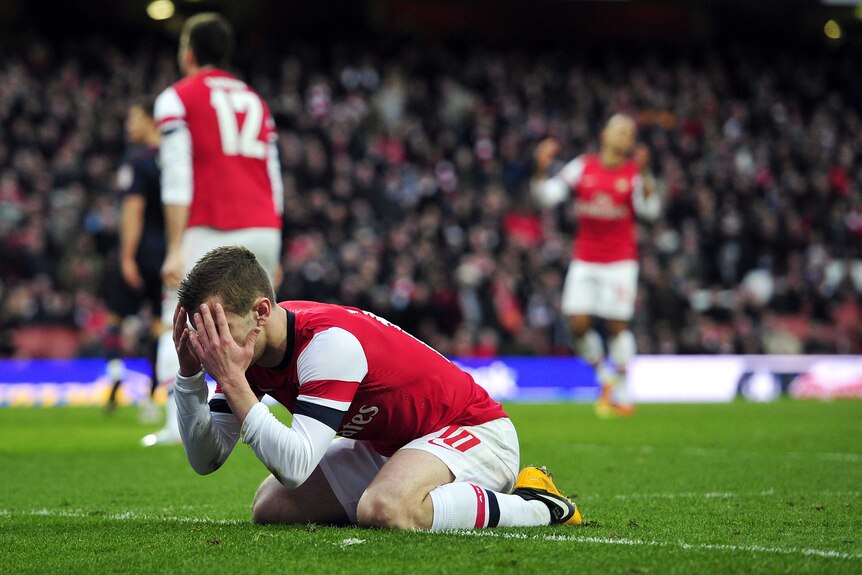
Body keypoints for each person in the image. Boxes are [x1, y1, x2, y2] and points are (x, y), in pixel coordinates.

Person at [170, 246, 581, 530]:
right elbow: (208, 459)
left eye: (219, 326)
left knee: (385, 509)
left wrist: (231, 381)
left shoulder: (327, 344)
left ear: (261, 311)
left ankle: (537, 507)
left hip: (473, 430)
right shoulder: (251, 347)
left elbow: (295, 467)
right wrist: (189, 379)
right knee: (270, 508)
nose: (212, 342)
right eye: (203, 329)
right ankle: (421, 493)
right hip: (395, 444)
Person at [144, 13, 284, 446]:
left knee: (182, 312)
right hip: (263, 224)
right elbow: (273, 175)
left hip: (210, 223)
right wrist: (275, 243)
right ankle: (273, 406)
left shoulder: (177, 97)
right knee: (263, 317)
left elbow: (177, 175)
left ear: (188, 53)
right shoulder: (255, 100)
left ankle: (176, 422)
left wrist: (172, 246)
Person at [531, 114, 660, 417]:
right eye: (621, 131)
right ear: (605, 134)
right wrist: (540, 168)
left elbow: (650, 210)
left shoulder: (633, 173)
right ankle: (605, 376)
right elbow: (545, 198)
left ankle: (624, 385)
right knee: (577, 325)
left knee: (616, 326)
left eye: (630, 133)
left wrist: (648, 176)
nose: (627, 137)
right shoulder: (582, 166)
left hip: (620, 261)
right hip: (586, 258)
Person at [104, 97, 165, 423]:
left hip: (140, 251)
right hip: (168, 253)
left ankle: (115, 376)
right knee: (161, 325)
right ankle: (154, 395)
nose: (129, 126)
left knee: (114, 319)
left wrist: (127, 256)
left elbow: (133, 209)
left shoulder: (137, 160)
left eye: (133, 119)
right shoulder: (176, 159)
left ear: (149, 121)